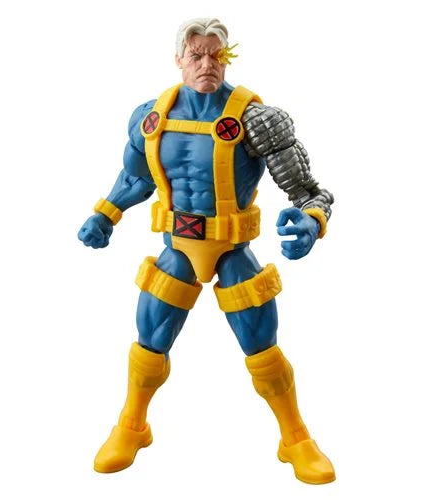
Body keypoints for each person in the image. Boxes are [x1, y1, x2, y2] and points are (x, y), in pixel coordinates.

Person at [78, 17, 335, 485]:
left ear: (227, 57)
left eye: (216, 55)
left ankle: (295, 437)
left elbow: (308, 191)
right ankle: (132, 426)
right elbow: (136, 177)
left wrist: (311, 221)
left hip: (232, 249)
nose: (207, 64)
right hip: (177, 247)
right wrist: (106, 214)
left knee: (261, 346)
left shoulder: (256, 119)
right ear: (179, 59)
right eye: (196, 55)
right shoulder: (151, 117)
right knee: (149, 339)